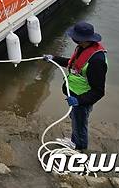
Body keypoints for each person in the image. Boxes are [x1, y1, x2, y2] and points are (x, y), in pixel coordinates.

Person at [43, 21, 108, 151]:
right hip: (74, 94)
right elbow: (72, 63)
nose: (72, 38)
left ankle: (79, 147)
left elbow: (99, 91)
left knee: (80, 122)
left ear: (82, 39)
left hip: (82, 98)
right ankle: (75, 141)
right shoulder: (83, 48)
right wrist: (53, 58)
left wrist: (79, 100)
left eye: (74, 36)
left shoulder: (96, 61)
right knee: (75, 118)